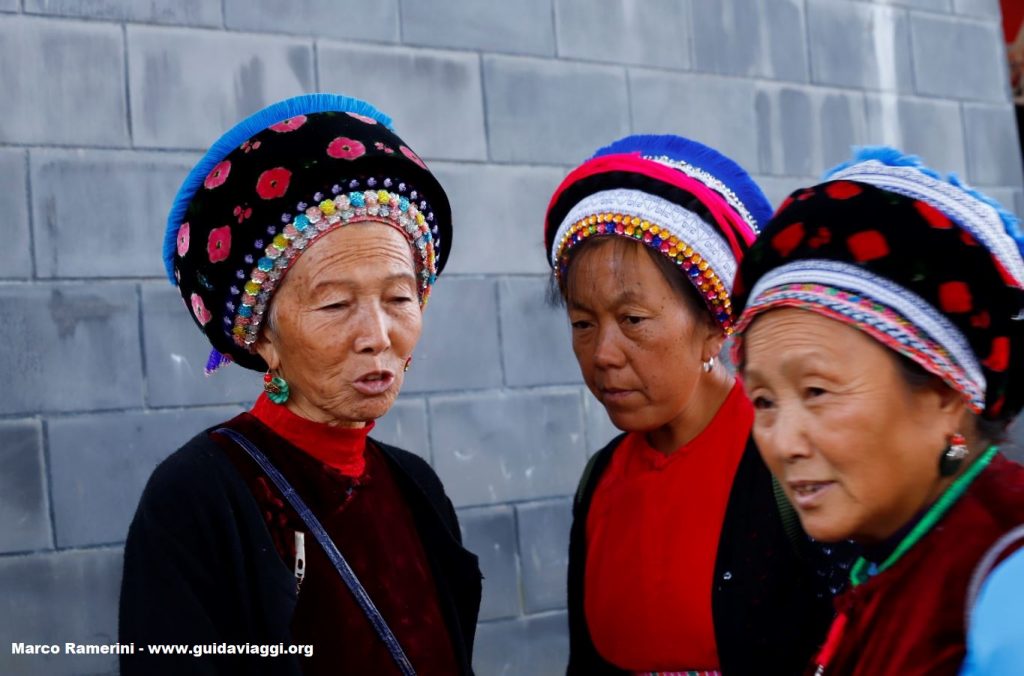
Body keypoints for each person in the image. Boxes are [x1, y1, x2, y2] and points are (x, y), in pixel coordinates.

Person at [119, 94, 481, 675]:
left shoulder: (416, 487)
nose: (376, 335)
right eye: (335, 303)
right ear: (262, 336)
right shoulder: (198, 499)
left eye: (398, 298)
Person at [543, 135, 850, 675]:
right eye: (582, 324)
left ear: (714, 324)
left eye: (633, 320)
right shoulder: (602, 480)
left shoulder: (791, 463)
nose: (603, 354)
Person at [731, 147, 1024, 674]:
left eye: (817, 391)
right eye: (764, 401)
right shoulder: (888, 560)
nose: (782, 441)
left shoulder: (1007, 581)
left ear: (946, 393)